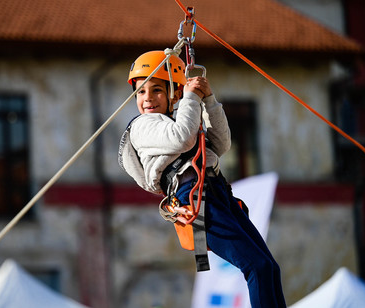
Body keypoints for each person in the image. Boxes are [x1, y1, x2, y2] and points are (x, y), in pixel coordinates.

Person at [118, 51, 286, 308]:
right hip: (194, 199)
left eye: (156, 90)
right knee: (256, 266)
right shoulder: (143, 125)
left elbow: (221, 143)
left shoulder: (182, 114)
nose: (147, 98)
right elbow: (182, 138)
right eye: (141, 91)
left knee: (269, 267)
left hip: (218, 194)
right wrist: (191, 97)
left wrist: (208, 99)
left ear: (173, 92)